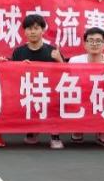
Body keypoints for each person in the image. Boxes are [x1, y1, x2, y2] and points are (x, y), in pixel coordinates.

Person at [11, 14, 65, 149]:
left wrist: (59, 60)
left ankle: (55, 135)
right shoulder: (18, 52)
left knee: (55, 100)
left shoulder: (53, 51)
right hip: (28, 91)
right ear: (24, 31)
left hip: (50, 92)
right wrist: (19, 67)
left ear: (43, 30)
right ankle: (32, 130)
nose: (33, 32)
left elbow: (67, 74)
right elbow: (11, 75)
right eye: (29, 29)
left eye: (36, 28)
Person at [67, 27, 104, 147]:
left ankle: (103, 131)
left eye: (98, 41)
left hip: (102, 96)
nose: (94, 44)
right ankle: (77, 128)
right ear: (85, 44)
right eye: (91, 41)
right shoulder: (74, 61)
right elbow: (68, 82)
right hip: (82, 95)